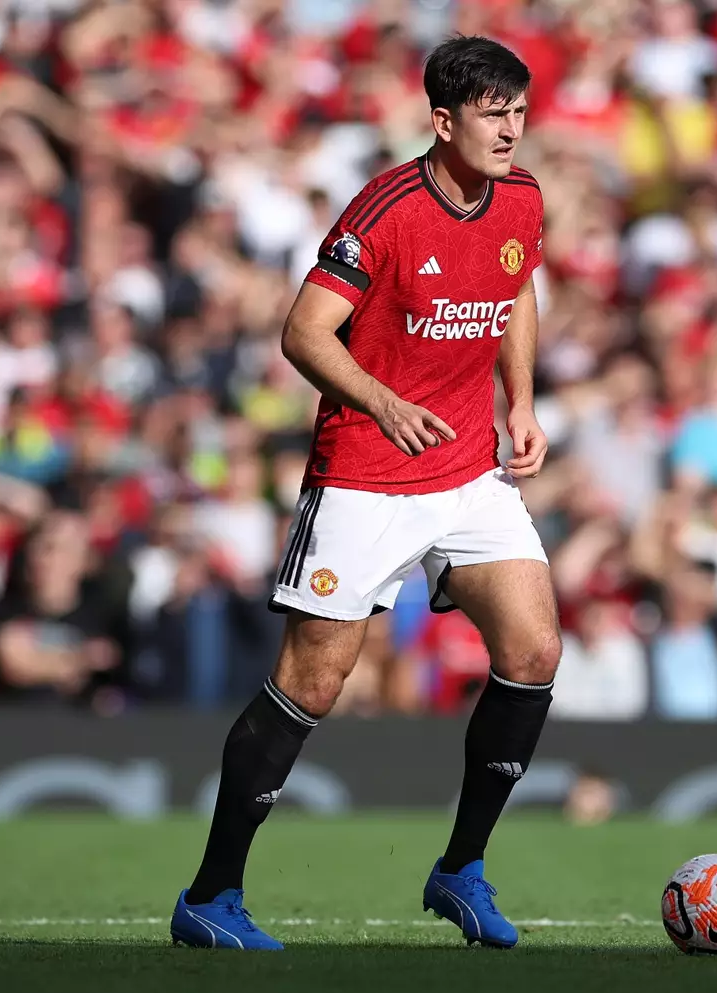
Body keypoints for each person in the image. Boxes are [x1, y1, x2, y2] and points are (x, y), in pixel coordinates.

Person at [168, 35, 559, 951]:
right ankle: (210, 895)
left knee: (535, 648)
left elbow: (516, 287)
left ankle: (461, 869)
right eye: (493, 112)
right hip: (367, 471)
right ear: (443, 120)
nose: (511, 128)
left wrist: (523, 401)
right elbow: (303, 332)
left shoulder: (524, 197)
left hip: (466, 467)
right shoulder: (383, 210)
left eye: (518, 109)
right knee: (314, 678)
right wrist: (385, 403)